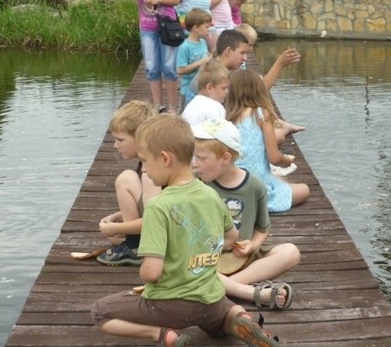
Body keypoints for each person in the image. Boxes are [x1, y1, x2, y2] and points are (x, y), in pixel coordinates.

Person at [91, 114, 282, 347]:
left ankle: (165, 336)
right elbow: (232, 237)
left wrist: (144, 271)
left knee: (100, 312)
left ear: (164, 159)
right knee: (222, 318)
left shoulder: (158, 207)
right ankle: (240, 318)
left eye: (146, 163)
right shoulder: (210, 194)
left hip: (168, 305)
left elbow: (151, 273)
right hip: (210, 300)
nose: (146, 172)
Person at [191, 118, 299, 309]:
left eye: (201, 158)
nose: (194, 164)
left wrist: (253, 245)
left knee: (291, 252)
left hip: (243, 260)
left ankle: (224, 287)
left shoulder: (254, 186)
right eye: (193, 157)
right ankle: (251, 292)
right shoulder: (197, 184)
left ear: (225, 158)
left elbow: (262, 228)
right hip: (207, 261)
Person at [90, 0, 180, 113]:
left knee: (169, 67)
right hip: (147, 27)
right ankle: (157, 105)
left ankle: (173, 106)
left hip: (167, 25)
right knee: (152, 67)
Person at [226, 69, 310, 213]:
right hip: (256, 187)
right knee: (304, 190)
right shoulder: (260, 113)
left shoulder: (227, 116)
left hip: (231, 187)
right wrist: (287, 160)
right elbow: (274, 158)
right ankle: (259, 206)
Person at [96, 100, 160, 266]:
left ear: (140, 138)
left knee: (126, 178)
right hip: (163, 227)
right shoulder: (151, 159)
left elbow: (153, 220)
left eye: (120, 140)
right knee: (113, 235)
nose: (115, 145)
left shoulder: (150, 172)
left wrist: (117, 228)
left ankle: (135, 247)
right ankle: (136, 242)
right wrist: (117, 217)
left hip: (162, 230)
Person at [185, 29, 250, 103]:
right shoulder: (215, 75)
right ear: (228, 51)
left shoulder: (214, 67)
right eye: (242, 53)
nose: (245, 58)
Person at [176, 8, 212, 109]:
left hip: (202, 88)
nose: (208, 30)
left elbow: (205, 58)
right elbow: (180, 70)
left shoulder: (203, 42)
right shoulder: (184, 47)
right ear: (196, 28)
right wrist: (201, 62)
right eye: (206, 27)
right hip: (187, 90)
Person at [181, 60, 229, 126]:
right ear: (209, 88)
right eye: (224, 88)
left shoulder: (193, 104)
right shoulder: (215, 107)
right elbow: (221, 133)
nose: (227, 92)